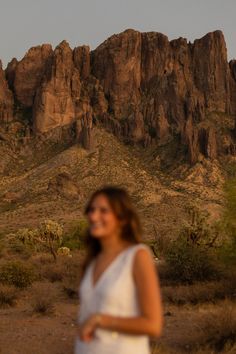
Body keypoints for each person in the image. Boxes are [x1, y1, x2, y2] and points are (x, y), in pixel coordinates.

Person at [74, 185, 163, 354]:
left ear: (121, 219)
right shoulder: (92, 260)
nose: (93, 216)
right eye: (91, 210)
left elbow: (153, 325)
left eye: (103, 210)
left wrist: (99, 320)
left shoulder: (137, 256)